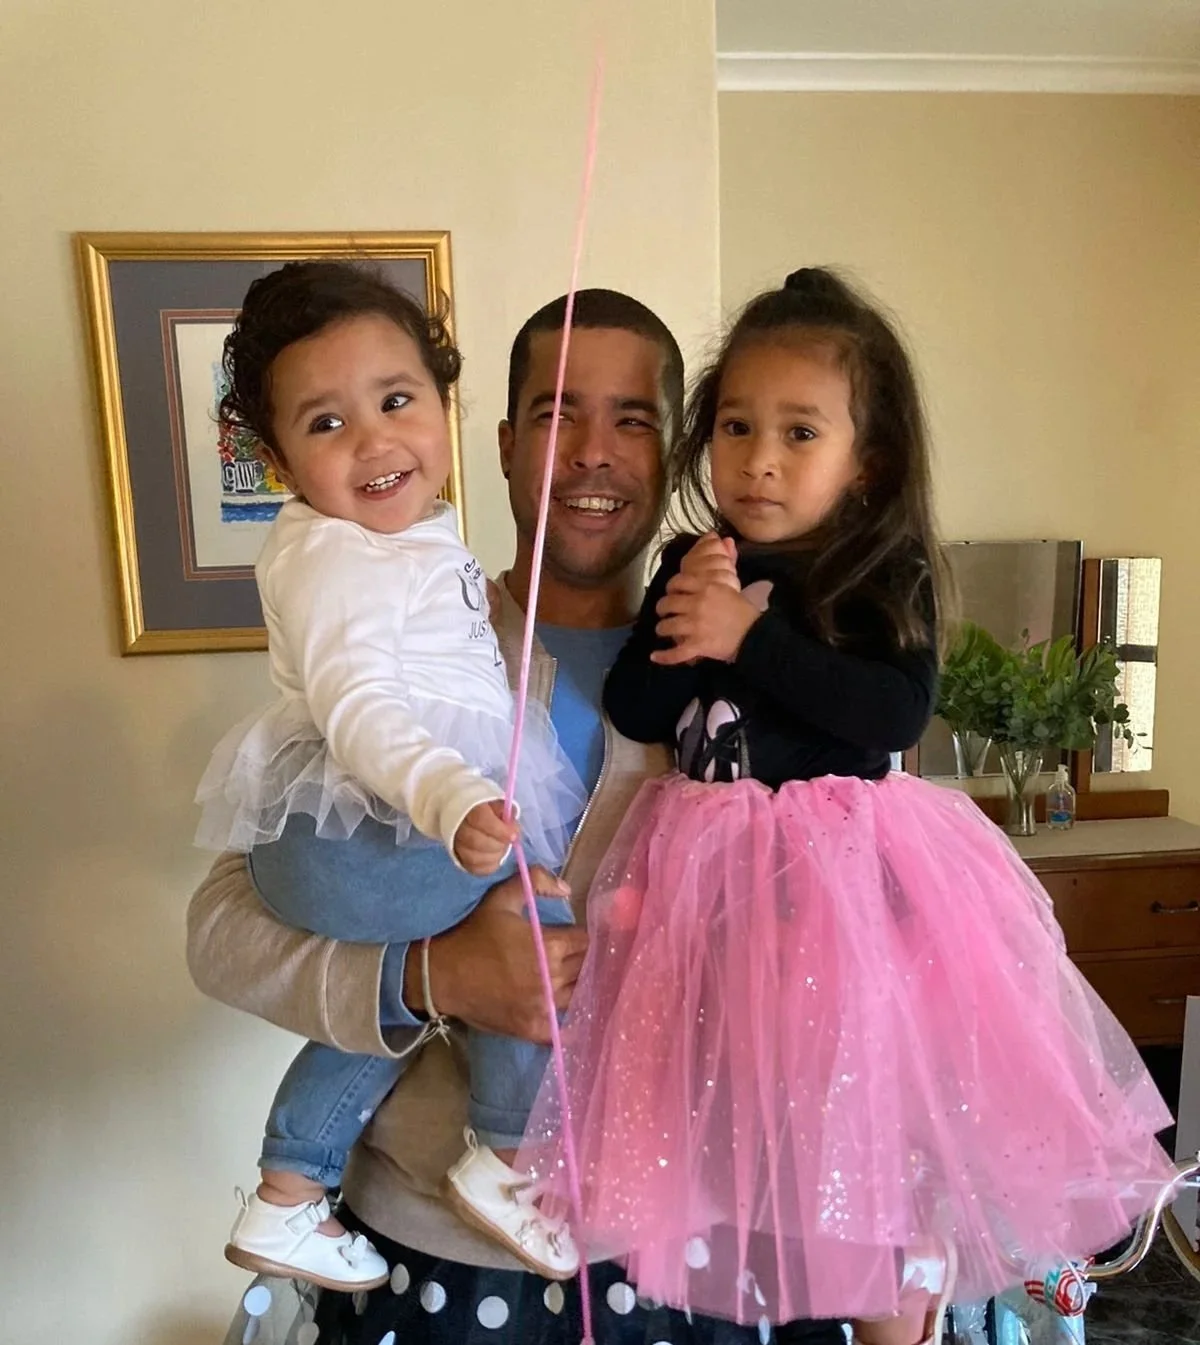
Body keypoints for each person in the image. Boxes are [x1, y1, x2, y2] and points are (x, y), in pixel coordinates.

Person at [518, 268, 1175, 1345]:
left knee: (860, 1140)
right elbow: (639, 699)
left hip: (843, 888)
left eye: (799, 432)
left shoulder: (877, 565)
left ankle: (895, 1322)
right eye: (736, 426)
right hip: (708, 889)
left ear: (864, 463)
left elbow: (891, 709)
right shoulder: (695, 556)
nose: (760, 458)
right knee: (734, 1126)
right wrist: (689, 630)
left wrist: (749, 637)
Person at [187, 286, 847, 1345]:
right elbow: (219, 932)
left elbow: (859, 975)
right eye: (555, 413)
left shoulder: (768, 675)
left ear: (675, 449)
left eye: (632, 418)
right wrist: (432, 975)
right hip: (431, 1260)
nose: (592, 451)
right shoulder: (400, 650)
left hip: (690, 1249)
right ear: (497, 441)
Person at [194, 261, 587, 1291]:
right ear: (279, 458)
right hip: (350, 827)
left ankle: (288, 1188)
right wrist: (449, 795)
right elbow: (360, 707)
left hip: (361, 832)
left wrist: (432, 967)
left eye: (396, 400)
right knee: (520, 941)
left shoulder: (403, 545)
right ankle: (507, 1155)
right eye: (325, 424)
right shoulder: (340, 559)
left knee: (413, 983)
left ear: (443, 405)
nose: (372, 439)